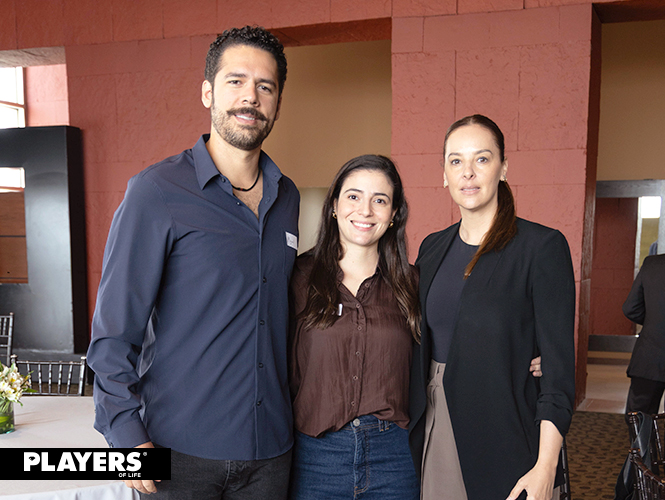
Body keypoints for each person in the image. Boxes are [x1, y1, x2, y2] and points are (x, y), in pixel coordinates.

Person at [86, 26, 299, 499]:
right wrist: (124, 434)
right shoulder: (156, 192)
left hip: (271, 454)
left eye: (266, 87)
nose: (251, 97)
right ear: (207, 92)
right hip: (176, 454)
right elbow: (114, 334)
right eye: (235, 81)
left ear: (278, 102)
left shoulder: (288, 197)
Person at [408, 115, 576, 500]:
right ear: (444, 175)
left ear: (503, 167)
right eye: (456, 161)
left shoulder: (541, 247)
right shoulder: (432, 247)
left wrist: (545, 467)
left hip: (504, 425)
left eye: (482, 159)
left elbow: (558, 375)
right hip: (437, 419)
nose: (468, 173)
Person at [288, 155, 420, 499]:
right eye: (353, 196)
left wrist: (527, 355)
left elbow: (456, 341)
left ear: (393, 215)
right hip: (315, 456)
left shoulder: (413, 283)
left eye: (380, 200)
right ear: (334, 205)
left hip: (394, 457)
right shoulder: (298, 277)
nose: (365, 210)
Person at [623, 253, 665, 419]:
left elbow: (630, 308)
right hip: (651, 355)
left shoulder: (652, 264)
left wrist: (652, 323)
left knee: (639, 417)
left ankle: (641, 446)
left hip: (650, 354)